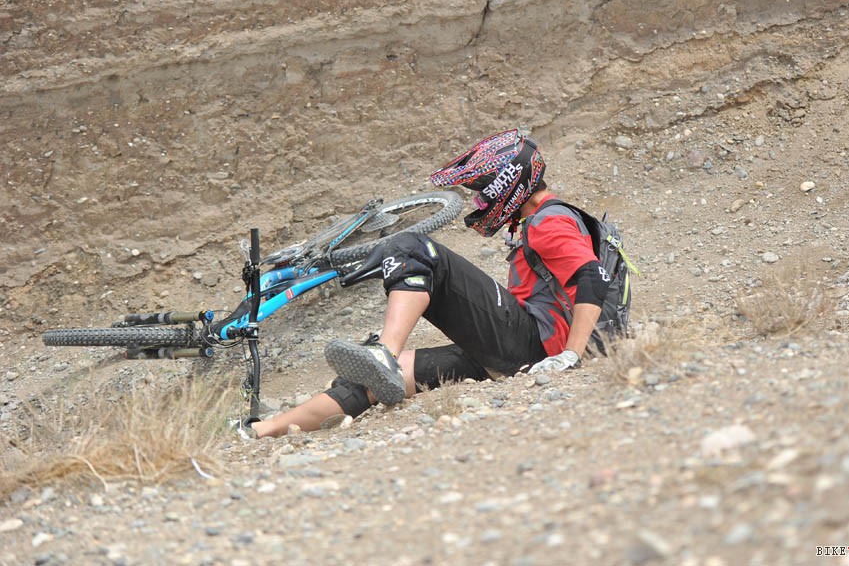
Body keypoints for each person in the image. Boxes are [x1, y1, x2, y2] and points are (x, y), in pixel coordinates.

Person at [249, 128, 610, 438]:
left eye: (481, 191)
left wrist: (570, 357)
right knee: (371, 382)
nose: (478, 200)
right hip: (526, 352)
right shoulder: (546, 220)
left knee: (412, 247)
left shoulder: (550, 220)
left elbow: (593, 277)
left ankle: (385, 352)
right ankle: (260, 432)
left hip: (537, 347)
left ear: (507, 183)